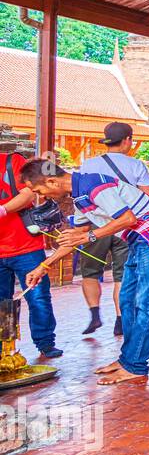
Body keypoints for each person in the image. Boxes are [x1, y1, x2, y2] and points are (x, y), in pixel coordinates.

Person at [23, 158, 149, 385]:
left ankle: (136, 365)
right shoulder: (80, 197)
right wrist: (43, 266)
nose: (41, 197)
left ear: (52, 181)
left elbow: (127, 218)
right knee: (127, 300)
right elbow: (77, 235)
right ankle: (128, 359)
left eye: (39, 190)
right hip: (138, 241)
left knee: (146, 303)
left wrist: (89, 236)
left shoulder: (93, 186)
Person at [78, 122, 149, 337]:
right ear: (128, 140)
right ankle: (120, 320)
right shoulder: (136, 165)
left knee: (90, 271)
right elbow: (148, 198)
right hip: (125, 226)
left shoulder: (88, 164)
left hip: (95, 223)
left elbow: (81, 195)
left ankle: (94, 314)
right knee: (122, 274)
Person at [0, 152, 60, 359]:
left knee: (38, 296)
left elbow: (28, 192)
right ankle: (4, 347)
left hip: (24, 244)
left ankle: (45, 342)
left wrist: (2, 210)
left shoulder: (11, 161)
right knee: (1, 301)